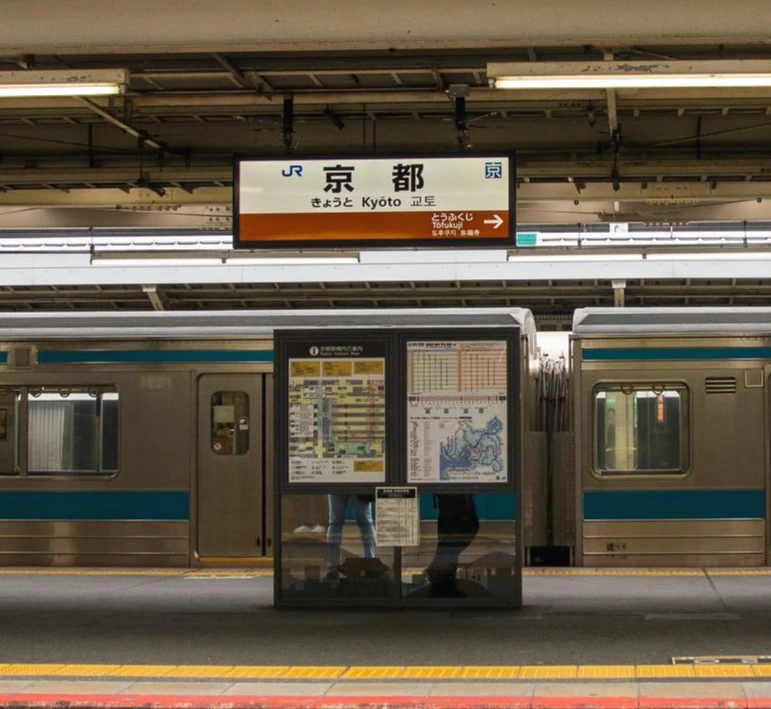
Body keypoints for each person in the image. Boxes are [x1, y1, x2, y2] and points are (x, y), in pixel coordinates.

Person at [425, 494, 479, 597]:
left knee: (449, 548)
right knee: (450, 547)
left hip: (450, 511)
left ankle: (443, 585)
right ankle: (441, 580)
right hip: (454, 511)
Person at [326, 493, 376, 578]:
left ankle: (333, 565)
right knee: (365, 522)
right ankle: (369, 562)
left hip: (338, 486)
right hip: (358, 486)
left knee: (335, 523)